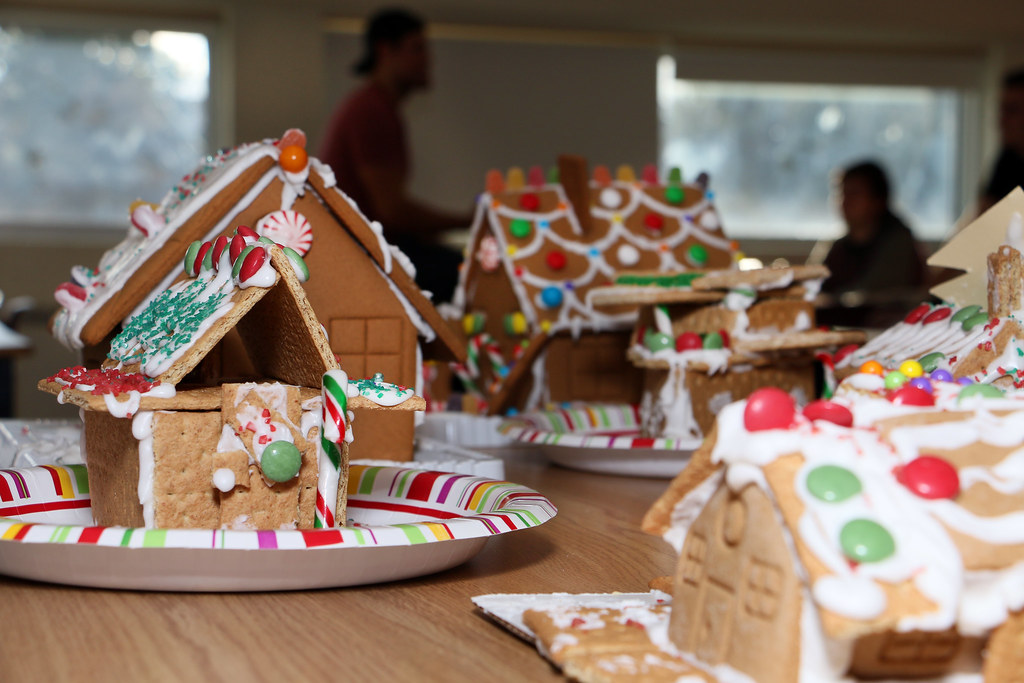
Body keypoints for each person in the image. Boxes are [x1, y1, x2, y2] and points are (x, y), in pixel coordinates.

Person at [319, 8, 469, 302]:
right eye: (418, 48)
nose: (428, 59)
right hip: (361, 258)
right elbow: (391, 211)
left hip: (366, 250)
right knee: (464, 274)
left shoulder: (376, 108)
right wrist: (465, 221)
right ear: (386, 50)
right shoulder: (370, 111)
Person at [819, 161, 926, 326]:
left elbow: (874, 296)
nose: (846, 202)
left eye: (854, 193)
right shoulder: (840, 246)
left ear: (878, 200)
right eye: (842, 193)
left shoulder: (898, 242)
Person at [979, 67, 1024, 214]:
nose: (1002, 120)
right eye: (1002, 110)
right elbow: (984, 217)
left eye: (1012, 110)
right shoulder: (1007, 161)